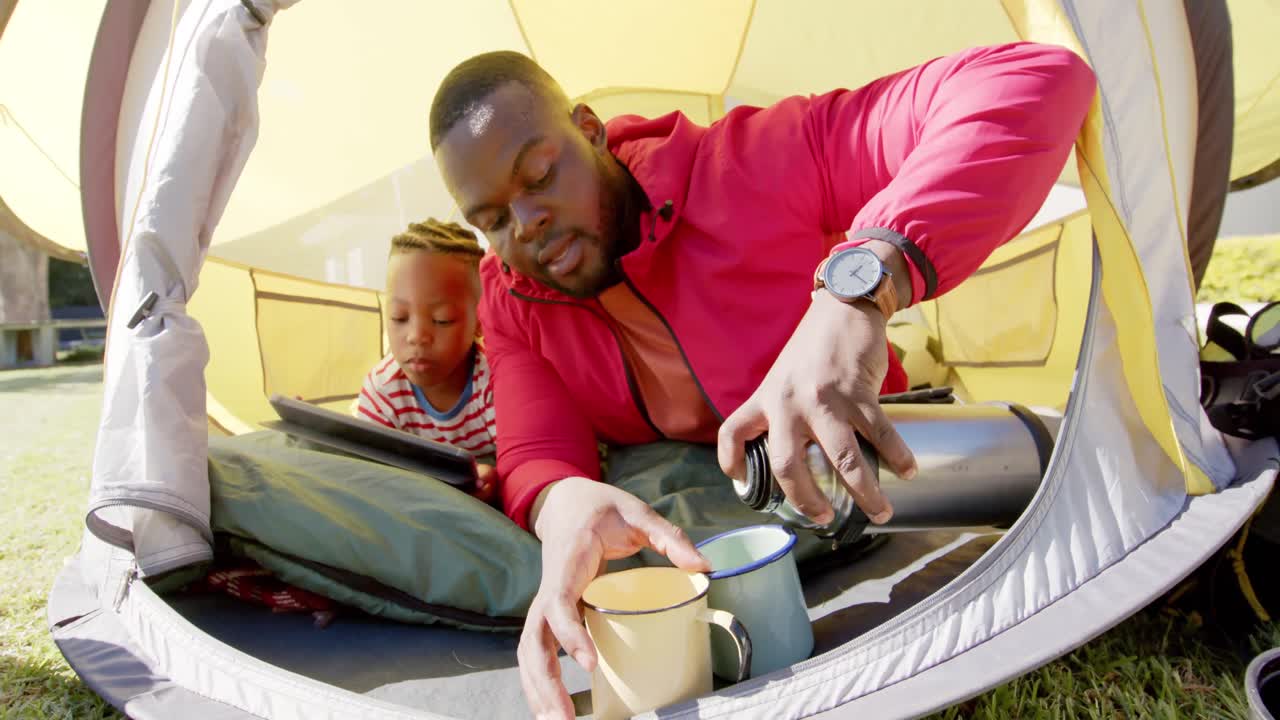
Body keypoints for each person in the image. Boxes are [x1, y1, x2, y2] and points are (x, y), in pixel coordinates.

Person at [429, 42, 1095, 717]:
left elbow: (1037, 80)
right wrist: (561, 503)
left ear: (590, 130)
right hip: (720, 504)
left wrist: (862, 284)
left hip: (873, 476)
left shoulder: (748, 163)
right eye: (492, 221)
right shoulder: (510, 299)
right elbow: (538, 450)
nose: (526, 225)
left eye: (540, 175)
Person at [354, 219, 498, 503]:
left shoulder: (495, 380)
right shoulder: (382, 390)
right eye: (399, 317)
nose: (416, 336)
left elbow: (525, 461)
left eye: (442, 319)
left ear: (480, 320)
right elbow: (375, 474)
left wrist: (494, 478)